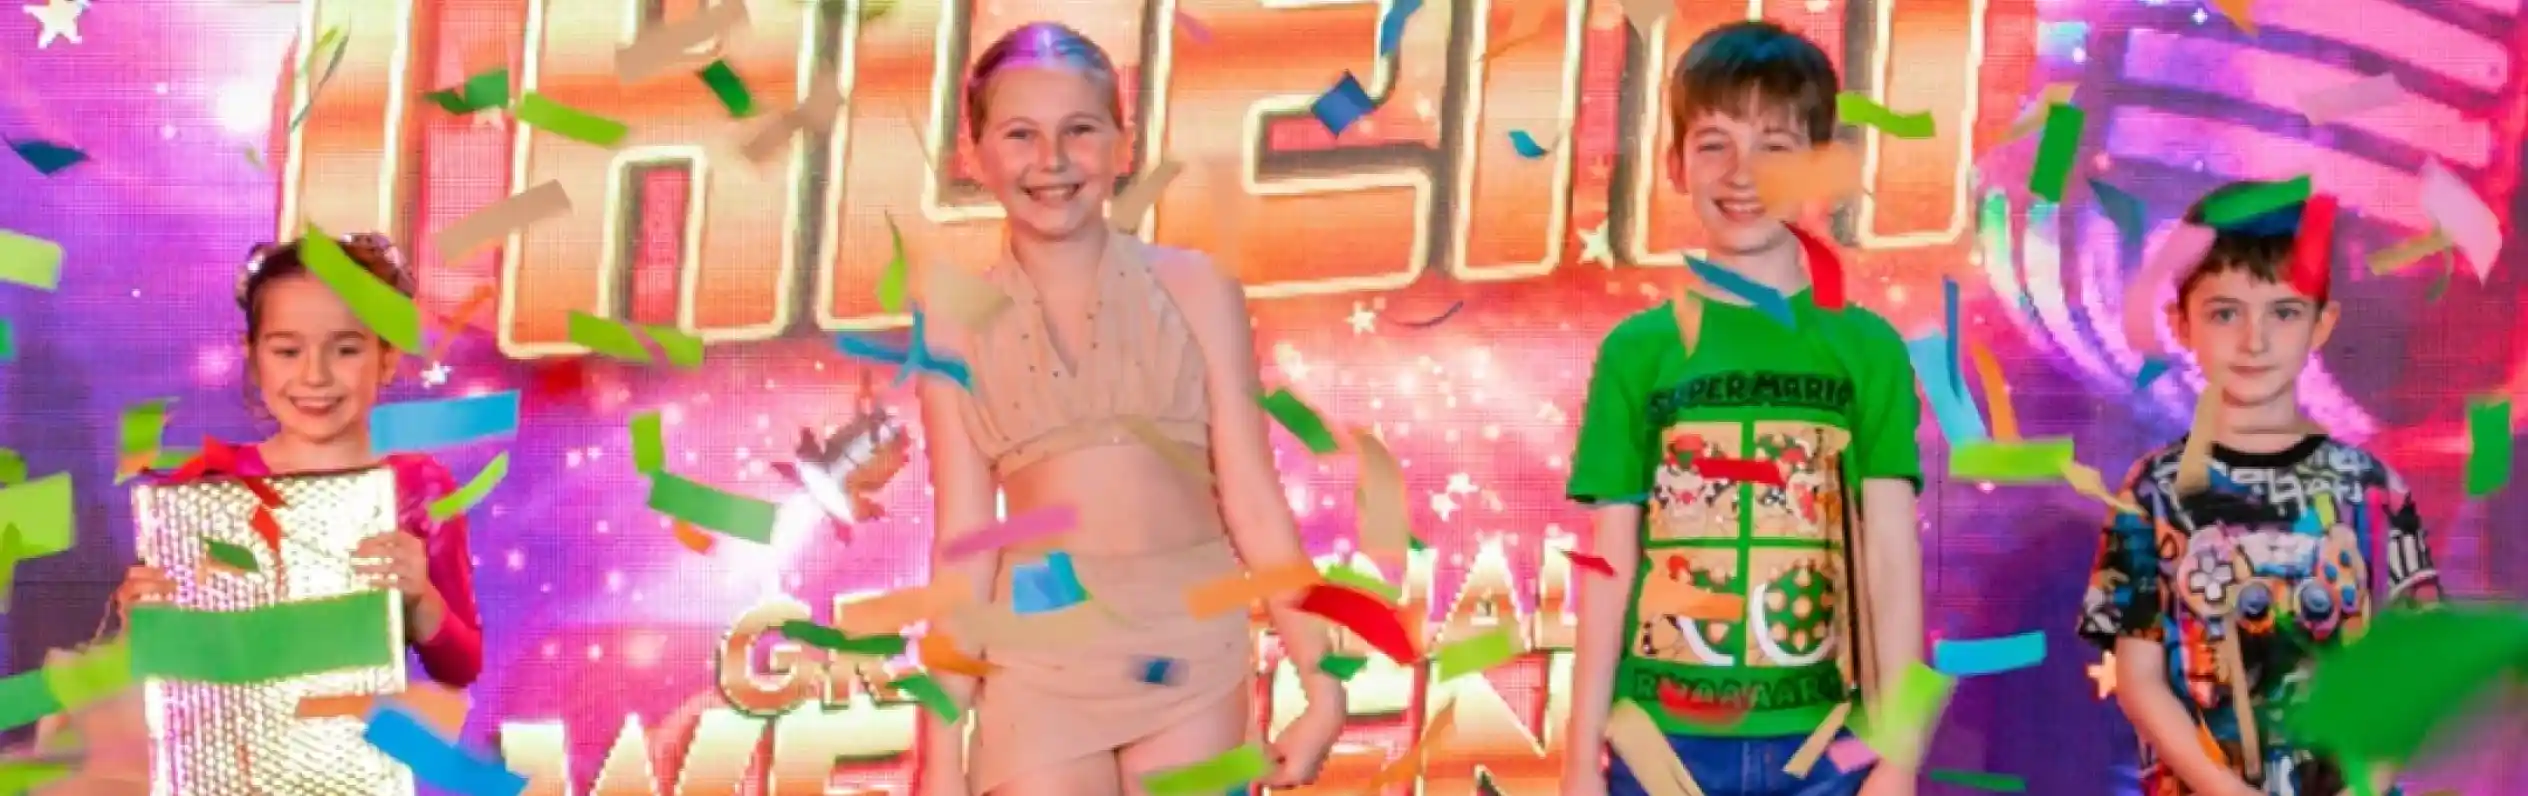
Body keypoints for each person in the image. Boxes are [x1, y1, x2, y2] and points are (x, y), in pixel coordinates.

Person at [911, 22, 1345, 796]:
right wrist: (939, 752)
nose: (1051, 160)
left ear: (1123, 142)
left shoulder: (1198, 287)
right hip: (1038, 649)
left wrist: (1324, 685)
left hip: (1189, 638)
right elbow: (965, 547)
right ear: (973, 156)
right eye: (1020, 134)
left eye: (1079, 129)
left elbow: (1252, 498)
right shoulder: (952, 326)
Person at [1561, 20, 1925, 796]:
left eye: (1775, 146)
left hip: (1826, 746)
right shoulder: (1638, 350)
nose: (1742, 173)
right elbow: (1610, 560)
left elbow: (1892, 561)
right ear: (1676, 164)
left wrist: (1900, 758)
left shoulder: (1866, 349)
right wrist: (1578, 757)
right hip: (1661, 744)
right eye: (1714, 144)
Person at [2077, 182, 2440, 796]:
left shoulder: (2372, 489)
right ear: (2181, 324)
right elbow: (2139, 679)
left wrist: (2363, 785)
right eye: (2225, 313)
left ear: (2322, 324)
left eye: (2284, 312)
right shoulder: (2154, 491)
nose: (2255, 339)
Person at [112, 234, 484, 689]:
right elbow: (173, 668)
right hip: (236, 731)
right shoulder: (206, 486)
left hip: (363, 730)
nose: (315, 376)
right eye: (288, 351)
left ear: (387, 357)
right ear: (254, 358)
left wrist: (421, 599)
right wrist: (141, 623)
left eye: (346, 350)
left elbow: (462, 667)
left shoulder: (418, 487)